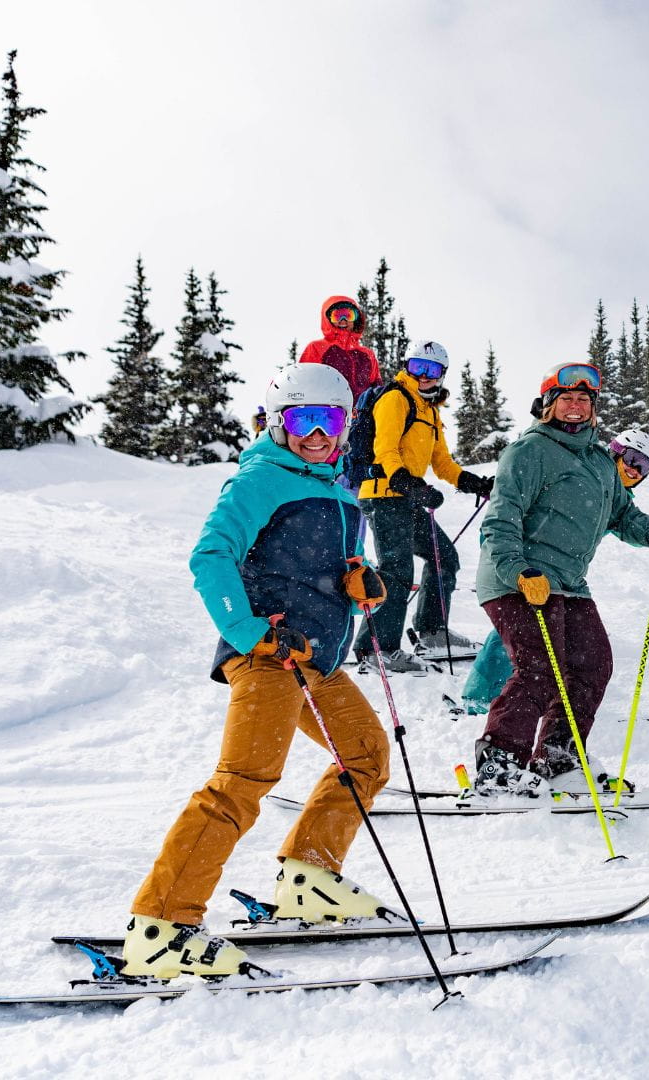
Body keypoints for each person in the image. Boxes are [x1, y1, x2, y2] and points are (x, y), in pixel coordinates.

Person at [120, 363, 394, 979]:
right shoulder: (259, 480)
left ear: (347, 425)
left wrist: (356, 581)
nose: (317, 433)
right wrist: (250, 633)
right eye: (303, 419)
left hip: (316, 661)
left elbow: (317, 562)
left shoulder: (339, 487)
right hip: (269, 657)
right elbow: (209, 555)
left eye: (331, 419)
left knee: (367, 755)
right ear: (279, 422)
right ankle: (162, 927)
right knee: (243, 781)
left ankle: (310, 880)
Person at [471, 366, 649, 795]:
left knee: (592, 665)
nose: (576, 407)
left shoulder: (600, 461)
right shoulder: (529, 452)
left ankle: (558, 759)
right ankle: (498, 767)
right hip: (517, 578)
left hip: (568, 583)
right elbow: (500, 520)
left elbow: (623, 515)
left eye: (585, 401)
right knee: (539, 669)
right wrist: (518, 570)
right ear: (548, 405)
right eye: (567, 399)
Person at [461, 428, 649, 714]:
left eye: (645, 467)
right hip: (518, 555)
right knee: (517, 632)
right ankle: (477, 699)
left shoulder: (611, 497)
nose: (636, 470)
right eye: (633, 459)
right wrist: (512, 559)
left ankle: (538, 697)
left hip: (556, 573)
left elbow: (634, 525)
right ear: (615, 452)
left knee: (542, 638)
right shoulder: (581, 473)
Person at [355, 341, 493, 672]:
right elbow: (385, 449)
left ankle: (431, 631)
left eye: (433, 370)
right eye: (418, 367)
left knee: (444, 557)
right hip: (384, 494)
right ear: (408, 366)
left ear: (442, 375)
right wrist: (411, 484)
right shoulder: (395, 398)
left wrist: (473, 482)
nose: (424, 376)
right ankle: (377, 649)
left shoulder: (429, 411)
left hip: (406, 496)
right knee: (397, 569)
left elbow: (442, 462)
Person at [299, 295, 380, 401]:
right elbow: (303, 381)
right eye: (337, 316)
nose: (343, 320)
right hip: (329, 413)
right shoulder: (316, 348)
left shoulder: (367, 355)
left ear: (356, 319)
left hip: (360, 415)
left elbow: (376, 389)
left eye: (349, 315)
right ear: (328, 319)